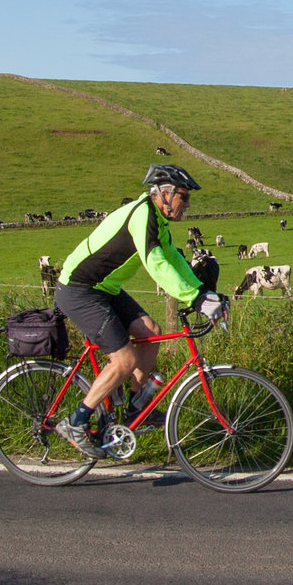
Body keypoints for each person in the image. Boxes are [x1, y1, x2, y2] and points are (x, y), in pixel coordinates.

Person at [51, 162, 227, 459]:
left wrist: (201, 291)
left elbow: (172, 257)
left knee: (152, 331)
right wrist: (195, 300)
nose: (187, 204)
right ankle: (76, 421)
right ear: (163, 194)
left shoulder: (158, 219)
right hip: (79, 289)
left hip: (103, 288)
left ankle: (136, 407)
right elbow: (155, 263)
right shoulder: (142, 216)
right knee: (124, 359)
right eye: (183, 197)